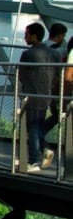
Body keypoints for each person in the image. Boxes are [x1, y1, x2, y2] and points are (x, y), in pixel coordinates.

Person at [19, 22, 61, 172]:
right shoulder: (54, 54)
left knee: (33, 127)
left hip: (32, 95)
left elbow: (21, 76)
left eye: (27, 34)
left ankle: (35, 160)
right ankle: (44, 150)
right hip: (46, 95)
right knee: (37, 125)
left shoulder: (28, 54)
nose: (25, 37)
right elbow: (57, 76)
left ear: (34, 36)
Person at [43, 22, 68, 155]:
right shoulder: (59, 51)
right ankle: (39, 136)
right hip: (56, 87)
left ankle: (37, 136)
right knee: (58, 114)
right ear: (60, 36)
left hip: (43, 86)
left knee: (54, 114)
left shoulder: (43, 47)